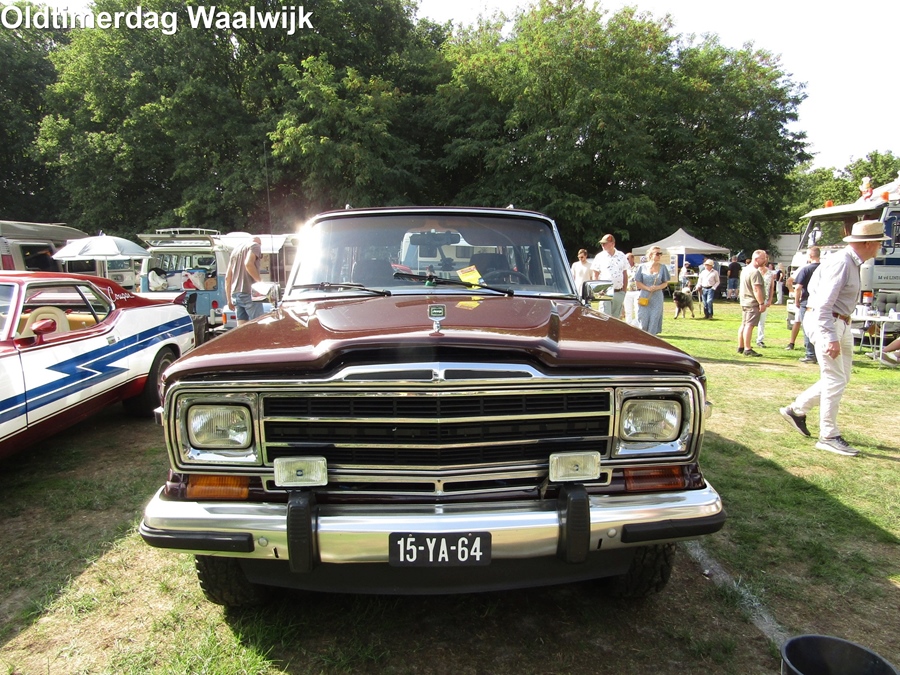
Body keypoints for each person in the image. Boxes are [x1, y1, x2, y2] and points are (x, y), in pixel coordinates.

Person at [779, 220, 890, 456]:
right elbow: (823, 305)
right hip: (828, 322)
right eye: (879, 242)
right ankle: (828, 436)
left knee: (840, 377)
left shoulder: (850, 262)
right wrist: (830, 337)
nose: (880, 247)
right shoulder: (842, 263)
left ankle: (796, 410)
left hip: (840, 322)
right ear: (868, 243)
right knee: (835, 378)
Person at [786, 246, 821, 362]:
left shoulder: (806, 269)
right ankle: (819, 353)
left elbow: (798, 287)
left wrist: (797, 301)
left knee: (807, 327)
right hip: (821, 301)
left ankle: (810, 354)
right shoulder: (825, 268)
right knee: (820, 327)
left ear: (810, 256)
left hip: (807, 302)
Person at [225, 236, 263, 326]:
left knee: (242, 328)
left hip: (235, 294)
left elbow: (227, 277)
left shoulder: (235, 251)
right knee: (259, 326)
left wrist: (229, 299)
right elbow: (248, 264)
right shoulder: (255, 246)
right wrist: (260, 283)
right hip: (249, 293)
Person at [737, 249, 768, 357]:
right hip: (752, 302)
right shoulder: (755, 272)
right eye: (763, 258)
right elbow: (756, 289)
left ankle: (741, 346)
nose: (765, 260)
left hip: (744, 301)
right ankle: (747, 349)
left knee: (744, 324)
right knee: (749, 325)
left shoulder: (745, 270)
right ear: (756, 259)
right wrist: (761, 303)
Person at [634, 246, 670, 335]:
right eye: (657, 254)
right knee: (643, 320)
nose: (659, 256)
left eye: (660, 254)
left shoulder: (663, 267)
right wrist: (647, 288)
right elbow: (637, 283)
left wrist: (657, 287)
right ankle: (643, 338)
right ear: (650, 255)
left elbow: (665, 283)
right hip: (644, 296)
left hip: (657, 297)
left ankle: (652, 338)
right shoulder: (641, 267)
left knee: (654, 319)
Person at [591, 234, 628, 319]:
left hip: (618, 291)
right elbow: (595, 274)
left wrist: (624, 290)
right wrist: (597, 289)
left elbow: (625, 273)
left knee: (616, 318)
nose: (602, 245)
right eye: (602, 243)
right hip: (605, 291)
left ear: (612, 244)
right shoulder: (600, 256)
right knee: (605, 317)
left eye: (605, 243)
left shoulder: (621, 255)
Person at [756, 263, 776, 348]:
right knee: (750, 320)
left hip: (765, 298)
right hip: (754, 298)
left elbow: (771, 287)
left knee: (762, 321)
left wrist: (770, 299)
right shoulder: (755, 271)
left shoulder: (770, 273)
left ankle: (760, 340)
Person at [622, 252, 641, 327]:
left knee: (637, 309)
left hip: (637, 291)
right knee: (628, 310)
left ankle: (637, 325)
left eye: (628, 258)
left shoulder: (639, 267)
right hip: (627, 291)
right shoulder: (624, 268)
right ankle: (628, 325)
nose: (626, 260)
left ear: (633, 258)